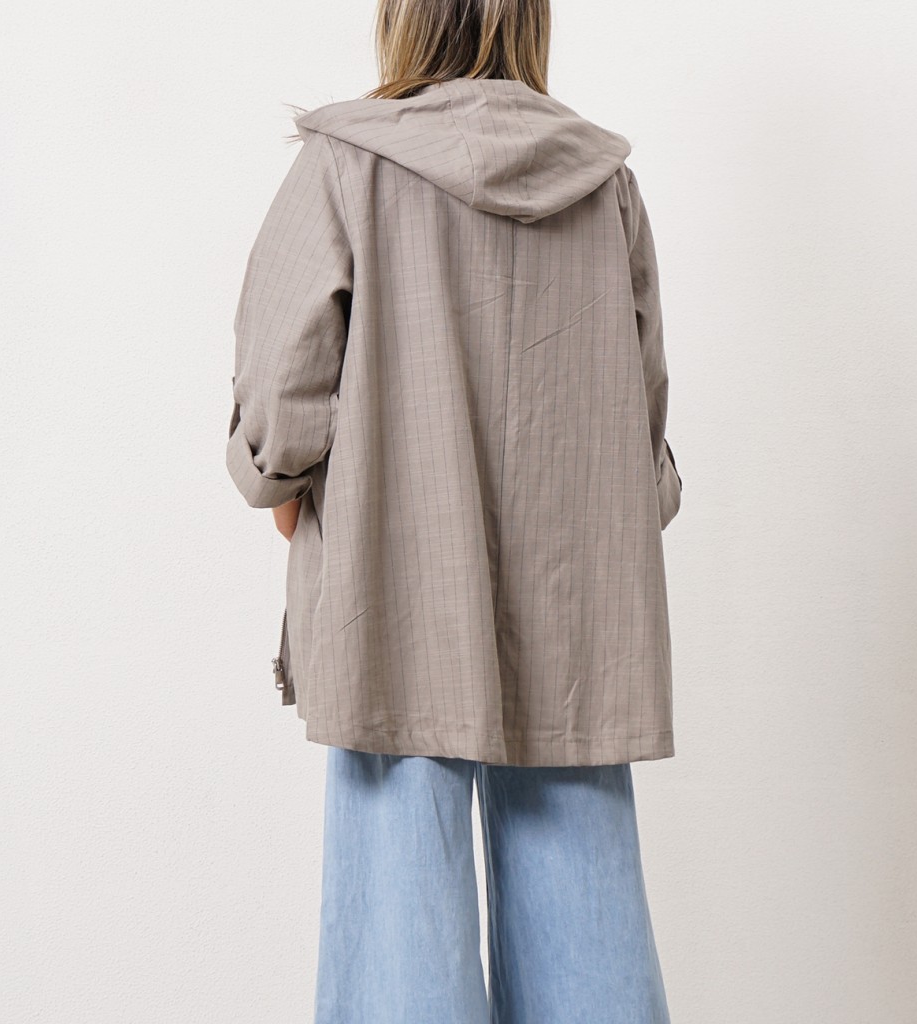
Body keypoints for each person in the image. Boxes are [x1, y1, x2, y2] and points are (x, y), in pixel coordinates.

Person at [225, 1, 683, 1020]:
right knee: (587, 902)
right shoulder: (604, 182)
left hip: (391, 588)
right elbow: (643, 427)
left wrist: (284, 493)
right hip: (576, 605)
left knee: (400, 919)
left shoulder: (345, 165)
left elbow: (278, 405)